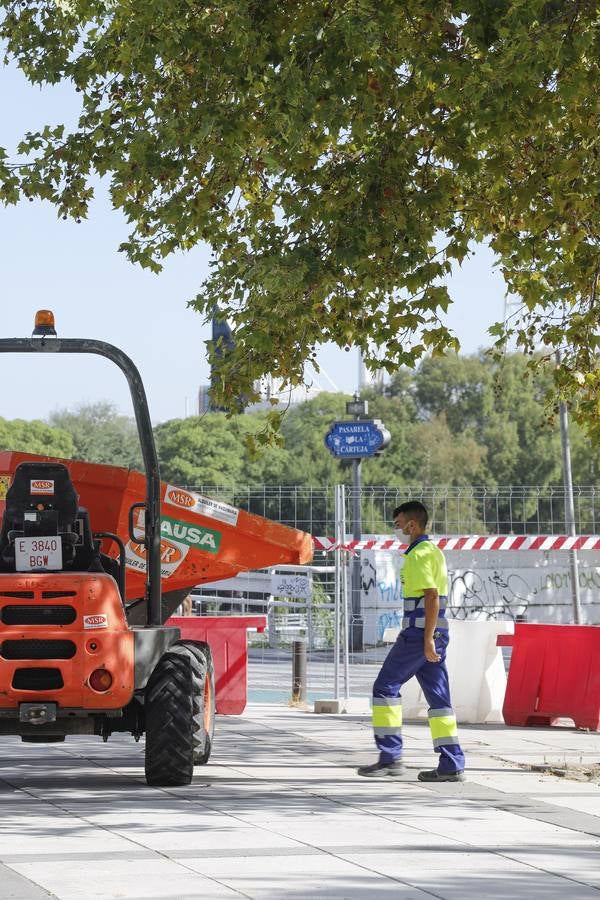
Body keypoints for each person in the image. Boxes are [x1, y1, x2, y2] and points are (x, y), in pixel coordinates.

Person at [358, 500, 465, 782]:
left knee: (384, 687)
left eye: (397, 525)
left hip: (419, 635)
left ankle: (390, 757)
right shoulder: (435, 552)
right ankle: (451, 763)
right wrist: (433, 639)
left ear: (411, 525)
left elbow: (430, 596)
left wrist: (426, 639)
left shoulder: (418, 555)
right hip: (435, 634)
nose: (396, 530)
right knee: (440, 700)